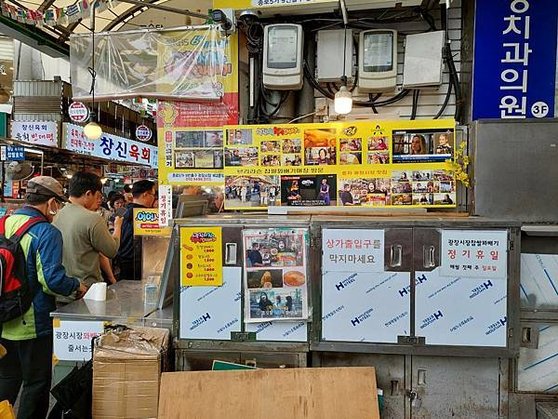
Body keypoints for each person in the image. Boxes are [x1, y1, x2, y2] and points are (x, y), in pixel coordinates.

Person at [0, 176, 87, 419]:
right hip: (32, 322)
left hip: (3, 318)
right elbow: (51, 281)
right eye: (57, 204)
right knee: (36, 383)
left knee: (7, 379)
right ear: (51, 203)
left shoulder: (4, 222)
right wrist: (77, 286)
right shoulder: (46, 232)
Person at [53, 172, 122, 288]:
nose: (98, 201)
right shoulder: (92, 218)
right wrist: (118, 226)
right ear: (88, 194)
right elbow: (112, 250)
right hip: (87, 290)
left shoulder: (56, 215)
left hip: (62, 288)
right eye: (97, 196)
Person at [115, 180, 156, 281]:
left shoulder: (124, 212)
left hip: (124, 263)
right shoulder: (147, 216)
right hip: (139, 265)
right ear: (145, 194)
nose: (154, 198)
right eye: (153, 195)